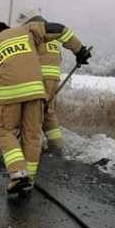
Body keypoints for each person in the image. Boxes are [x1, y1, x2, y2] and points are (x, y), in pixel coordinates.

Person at [0, 17, 90, 194]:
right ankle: (28, 180)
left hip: (10, 92)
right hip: (37, 91)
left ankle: (17, 175)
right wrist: (79, 50)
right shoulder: (26, 30)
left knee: (4, 131)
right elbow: (59, 28)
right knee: (32, 135)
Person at [16, 9, 91, 152]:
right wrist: (80, 50)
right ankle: (56, 145)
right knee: (48, 112)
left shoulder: (35, 30)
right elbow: (66, 36)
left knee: (30, 112)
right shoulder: (51, 34)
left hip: (36, 78)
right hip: (53, 80)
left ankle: (30, 148)